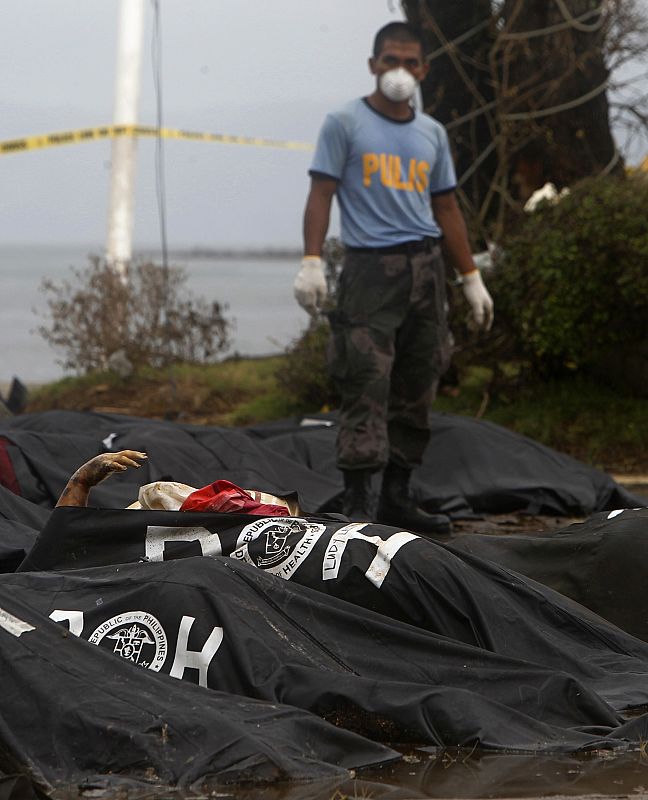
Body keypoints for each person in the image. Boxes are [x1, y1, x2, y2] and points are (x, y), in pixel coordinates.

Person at [293, 22, 494, 535]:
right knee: (365, 378)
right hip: (369, 270)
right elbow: (321, 193)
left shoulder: (432, 133)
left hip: (426, 268)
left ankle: (398, 497)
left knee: (420, 377)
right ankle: (359, 500)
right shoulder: (345, 122)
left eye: (409, 62)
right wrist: (312, 260)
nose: (399, 71)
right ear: (373, 65)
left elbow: (446, 206)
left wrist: (470, 276)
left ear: (423, 70)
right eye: (390, 60)